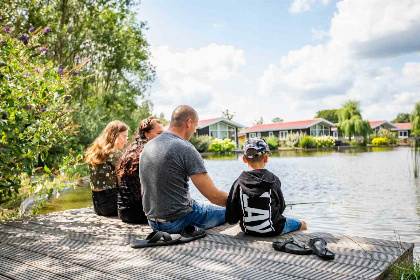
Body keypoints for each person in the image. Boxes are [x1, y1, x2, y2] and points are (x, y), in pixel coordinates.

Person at [139, 105, 228, 233]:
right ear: (188, 123)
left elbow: (144, 190)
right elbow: (214, 196)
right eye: (195, 126)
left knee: (200, 204)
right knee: (227, 210)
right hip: (178, 222)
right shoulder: (185, 148)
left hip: (152, 222)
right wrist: (239, 201)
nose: (194, 131)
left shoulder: (148, 146)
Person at [225, 138, 307, 237]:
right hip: (274, 229)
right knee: (302, 224)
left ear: (244, 159)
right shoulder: (273, 180)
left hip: (248, 230)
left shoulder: (238, 183)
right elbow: (281, 208)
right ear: (266, 158)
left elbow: (231, 218)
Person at [116, 117, 163, 224]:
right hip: (140, 213)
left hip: (123, 212)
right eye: (159, 133)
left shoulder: (131, 151)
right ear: (146, 134)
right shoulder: (149, 153)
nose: (163, 137)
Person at [85, 120, 128, 216]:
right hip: (111, 204)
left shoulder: (97, 151)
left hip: (98, 206)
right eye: (123, 136)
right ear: (114, 136)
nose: (125, 141)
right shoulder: (115, 153)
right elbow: (122, 180)